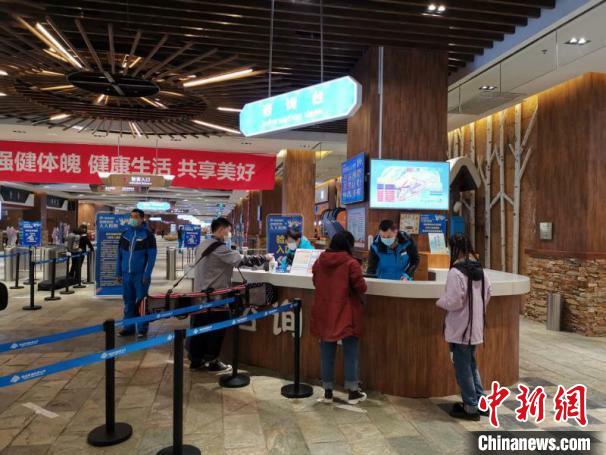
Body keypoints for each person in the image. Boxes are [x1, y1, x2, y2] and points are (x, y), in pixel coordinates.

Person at [189, 217, 272, 371]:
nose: (230, 234)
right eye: (228, 231)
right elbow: (242, 261)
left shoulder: (203, 244)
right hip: (215, 298)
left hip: (200, 296)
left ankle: (195, 360)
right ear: (221, 229)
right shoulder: (219, 248)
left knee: (199, 329)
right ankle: (212, 360)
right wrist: (265, 258)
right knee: (216, 329)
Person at [436, 234, 492, 421]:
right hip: (475, 327)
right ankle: (480, 403)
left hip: (460, 328)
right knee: (471, 364)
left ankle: (470, 406)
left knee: (463, 368)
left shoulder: (456, 272)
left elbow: (453, 301)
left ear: (454, 249)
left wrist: (440, 302)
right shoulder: (480, 270)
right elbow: (488, 293)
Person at [311, 231, 368, 405]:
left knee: (326, 353)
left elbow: (315, 282)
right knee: (350, 352)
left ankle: (327, 392)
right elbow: (361, 287)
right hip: (346, 313)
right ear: (348, 245)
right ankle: (353, 392)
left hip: (325, 312)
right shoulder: (351, 263)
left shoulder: (320, 261)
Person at [116, 209, 157, 338]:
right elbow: (119, 255)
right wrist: (118, 272)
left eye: (135, 217)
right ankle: (128, 327)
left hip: (140, 276)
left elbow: (151, 258)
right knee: (128, 302)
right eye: (131, 216)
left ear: (142, 219)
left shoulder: (148, 236)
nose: (132, 219)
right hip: (126, 274)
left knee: (141, 302)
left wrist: (147, 274)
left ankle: (141, 328)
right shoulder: (125, 235)